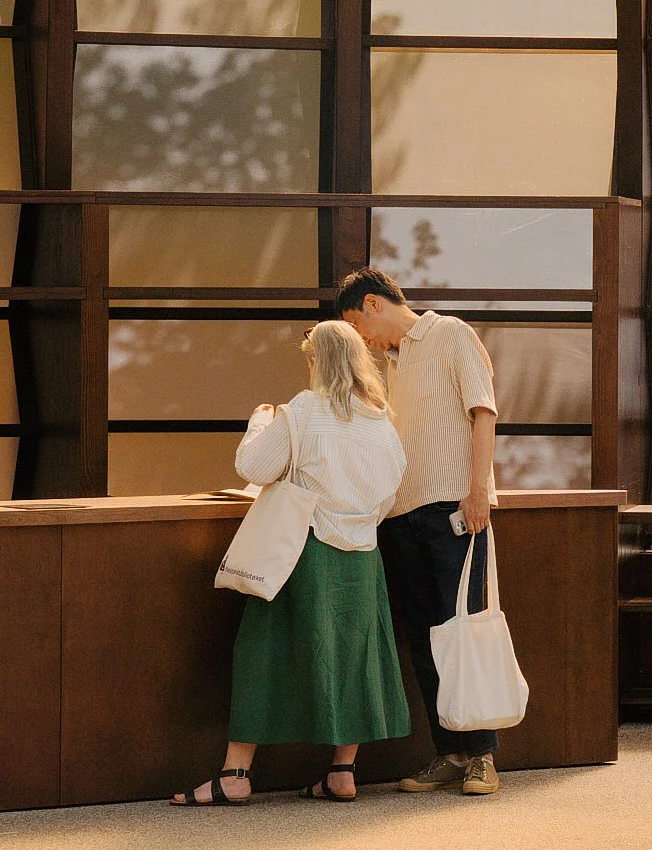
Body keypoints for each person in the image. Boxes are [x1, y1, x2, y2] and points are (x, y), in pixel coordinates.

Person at [172, 321, 409, 806]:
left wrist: (261, 420)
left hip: (301, 552)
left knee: (264, 651)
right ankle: (342, 772)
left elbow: (254, 468)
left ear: (316, 361)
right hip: (362, 556)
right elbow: (392, 489)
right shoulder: (382, 422)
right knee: (353, 658)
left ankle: (236, 775)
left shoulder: (304, 411)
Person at [336, 266, 503, 797]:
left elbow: (483, 412)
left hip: (454, 508)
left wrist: (478, 490)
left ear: (372, 304)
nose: (362, 339)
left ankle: (483, 758)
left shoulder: (451, 333)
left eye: (357, 325)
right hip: (397, 516)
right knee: (425, 639)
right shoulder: (387, 365)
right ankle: (449, 752)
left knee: (464, 632)